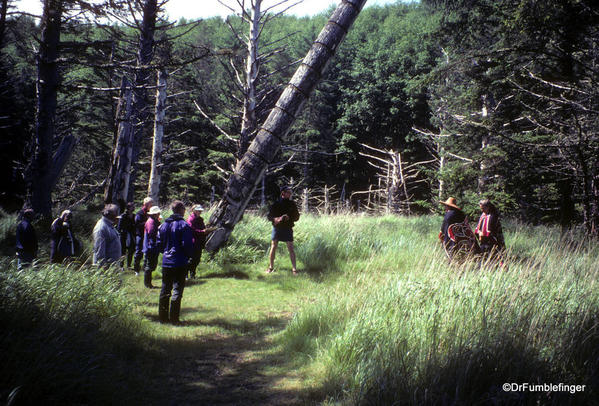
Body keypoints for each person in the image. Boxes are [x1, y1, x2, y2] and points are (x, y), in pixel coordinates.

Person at [157, 200, 193, 324]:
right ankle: (174, 319)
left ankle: (162, 318)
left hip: (167, 261)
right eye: (184, 209)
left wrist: (166, 253)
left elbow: (159, 244)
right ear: (181, 210)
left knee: (165, 289)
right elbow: (187, 244)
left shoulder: (163, 225)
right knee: (177, 290)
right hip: (180, 261)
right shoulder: (184, 225)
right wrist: (189, 256)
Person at [266, 186, 300, 275]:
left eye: (290, 192)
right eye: (288, 192)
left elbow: (297, 217)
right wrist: (276, 219)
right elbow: (269, 216)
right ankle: (270, 267)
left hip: (288, 228)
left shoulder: (292, 204)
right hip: (277, 228)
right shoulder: (276, 204)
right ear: (283, 193)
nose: (290, 194)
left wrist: (289, 217)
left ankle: (294, 269)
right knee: (273, 246)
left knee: (291, 248)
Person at [133, 197, 154, 275]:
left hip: (147, 235)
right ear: (145, 204)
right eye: (150, 203)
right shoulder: (140, 213)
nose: (151, 205)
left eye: (152, 203)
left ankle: (145, 269)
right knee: (138, 252)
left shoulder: (150, 212)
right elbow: (137, 224)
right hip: (140, 235)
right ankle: (136, 270)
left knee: (147, 252)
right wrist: (147, 222)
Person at [186, 204, 208, 280]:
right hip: (192, 242)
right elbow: (191, 230)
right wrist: (202, 231)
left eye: (200, 211)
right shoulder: (191, 219)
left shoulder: (200, 219)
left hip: (199, 241)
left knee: (197, 259)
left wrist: (206, 230)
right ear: (194, 210)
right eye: (198, 211)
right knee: (191, 259)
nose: (200, 212)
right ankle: (185, 275)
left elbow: (203, 228)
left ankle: (192, 275)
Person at [142, 206, 162, 288]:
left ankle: (148, 283)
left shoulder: (154, 221)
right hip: (150, 247)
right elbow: (152, 233)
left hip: (153, 246)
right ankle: (147, 284)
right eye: (158, 213)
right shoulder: (151, 222)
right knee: (149, 266)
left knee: (151, 265)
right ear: (155, 214)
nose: (159, 214)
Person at [117, 202, 136, 269]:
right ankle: (121, 265)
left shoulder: (134, 216)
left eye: (134, 207)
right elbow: (119, 227)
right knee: (123, 251)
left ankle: (129, 265)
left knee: (131, 250)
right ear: (128, 208)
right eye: (132, 207)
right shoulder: (123, 216)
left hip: (131, 235)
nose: (134, 208)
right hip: (124, 235)